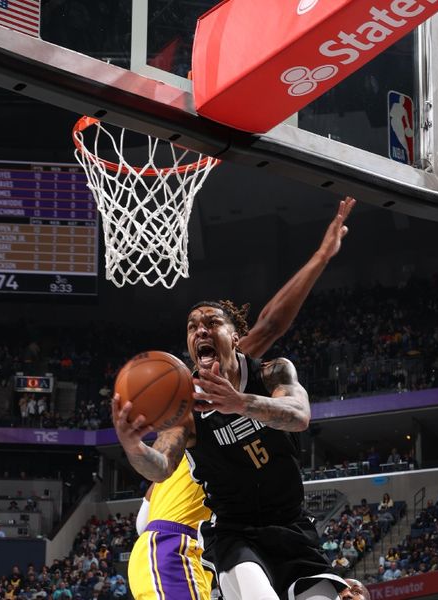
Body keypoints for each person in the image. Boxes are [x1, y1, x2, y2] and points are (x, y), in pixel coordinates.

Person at [115, 199, 356, 600]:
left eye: (211, 323)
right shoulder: (185, 408)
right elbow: (159, 466)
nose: (200, 330)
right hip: (233, 535)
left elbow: (298, 414)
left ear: (234, 336)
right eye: (192, 326)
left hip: (293, 528)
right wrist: (130, 444)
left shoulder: (268, 371)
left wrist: (240, 403)